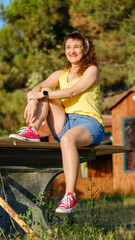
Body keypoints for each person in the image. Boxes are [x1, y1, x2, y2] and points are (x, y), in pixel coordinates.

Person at [9, 31, 104, 213]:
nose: (72, 50)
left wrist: (40, 94)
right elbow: (36, 89)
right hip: (67, 122)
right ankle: (33, 131)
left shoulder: (92, 70)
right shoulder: (61, 74)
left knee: (67, 137)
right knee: (44, 91)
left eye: (76, 46)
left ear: (85, 49)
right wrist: (33, 100)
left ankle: (70, 196)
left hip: (89, 124)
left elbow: (71, 93)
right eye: (68, 47)